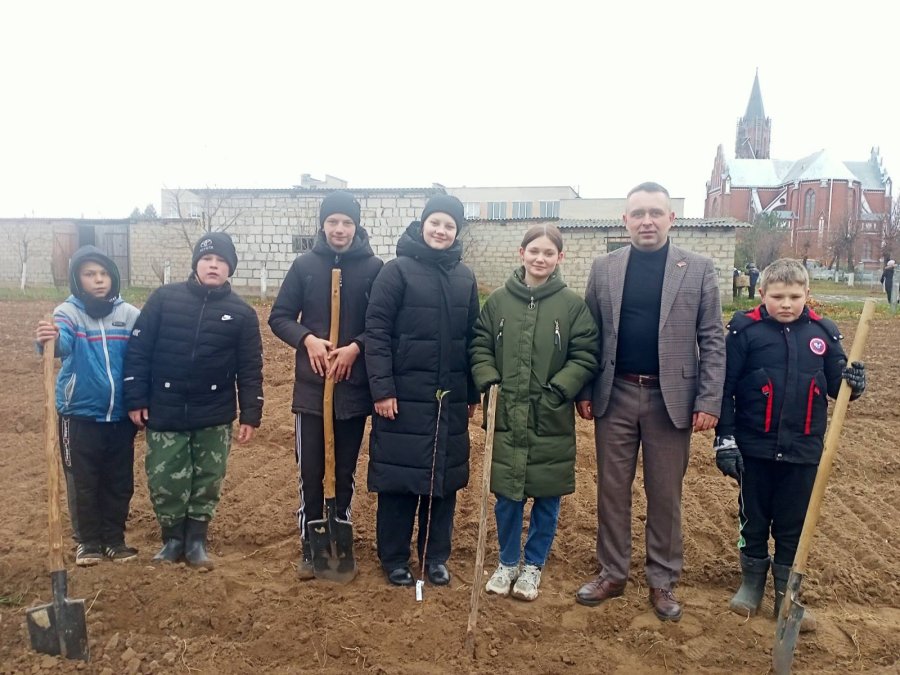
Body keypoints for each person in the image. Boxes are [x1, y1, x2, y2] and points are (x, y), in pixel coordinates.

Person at [574, 181, 726, 621]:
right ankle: (612, 574)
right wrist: (585, 390)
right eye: (637, 213)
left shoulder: (696, 268)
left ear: (670, 219)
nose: (646, 221)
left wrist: (709, 399)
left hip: (671, 399)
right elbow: (590, 335)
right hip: (615, 393)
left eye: (655, 213)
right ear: (624, 220)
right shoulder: (604, 268)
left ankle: (662, 581)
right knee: (612, 490)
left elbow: (712, 339)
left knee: (665, 494)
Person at [714, 258, 866, 630]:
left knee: (793, 524)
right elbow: (725, 389)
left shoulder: (823, 333)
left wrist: (854, 380)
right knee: (753, 518)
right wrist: (726, 439)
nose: (786, 303)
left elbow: (837, 387)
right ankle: (751, 584)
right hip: (754, 447)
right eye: (778, 296)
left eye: (794, 296)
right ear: (761, 293)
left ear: (807, 295)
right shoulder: (744, 332)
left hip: (803, 449)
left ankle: (787, 593)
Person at [470, 224, 598, 601]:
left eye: (548, 253)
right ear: (520, 253)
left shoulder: (572, 306)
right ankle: (507, 561)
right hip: (506, 414)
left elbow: (586, 352)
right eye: (534, 251)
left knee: (547, 498)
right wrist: (490, 381)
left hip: (549, 417)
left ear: (560, 258)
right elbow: (479, 344)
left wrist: (561, 389)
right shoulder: (497, 302)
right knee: (507, 497)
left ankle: (532, 567)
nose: (540, 258)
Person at [124, 232, 263, 570]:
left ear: (230, 268)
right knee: (166, 478)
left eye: (221, 261)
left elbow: (250, 368)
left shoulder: (242, 314)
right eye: (207, 259)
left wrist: (251, 413)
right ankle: (172, 540)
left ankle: (197, 541)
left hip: (213, 413)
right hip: (165, 408)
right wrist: (135, 396)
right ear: (196, 264)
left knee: (207, 479)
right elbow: (138, 352)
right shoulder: (164, 299)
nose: (213, 265)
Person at [365, 195, 480, 587]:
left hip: (448, 398)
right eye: (436, 223)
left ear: (456, 231)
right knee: (399, 481)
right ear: (423, 224)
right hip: (402, 398)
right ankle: (395, 558)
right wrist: (382, 389)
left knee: (443, 482)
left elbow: (471, 341)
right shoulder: (395, 272)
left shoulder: (465, 277)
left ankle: (435, 557)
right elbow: (376, 332)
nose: (441, 231)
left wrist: (471, 394)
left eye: (449, 225)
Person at [268, 191, 383, 579]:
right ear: (323, 224)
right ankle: (309, 540)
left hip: (351, 391)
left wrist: (356, 347)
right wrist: (307, 339)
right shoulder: (304, 266)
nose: (339, 229)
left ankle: (339, 534)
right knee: (311, 469)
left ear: (357, 226)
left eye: (347, 222)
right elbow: (280, 316)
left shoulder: (374, 268)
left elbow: (382, 324)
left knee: (345, 470)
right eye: (333, 221)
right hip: (312, 392)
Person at [35, 246, 140, 566]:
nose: (98, 280)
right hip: (79, 413)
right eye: (90, 274)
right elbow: (61, 342)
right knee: (83, 479)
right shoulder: (67, 313)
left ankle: (114, 540)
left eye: (104, 274)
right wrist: (47, 338)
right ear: (77, 280)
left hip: (121, 414)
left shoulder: (129, 314)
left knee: (119, 481)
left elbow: (143, 354)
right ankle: (88, 542)